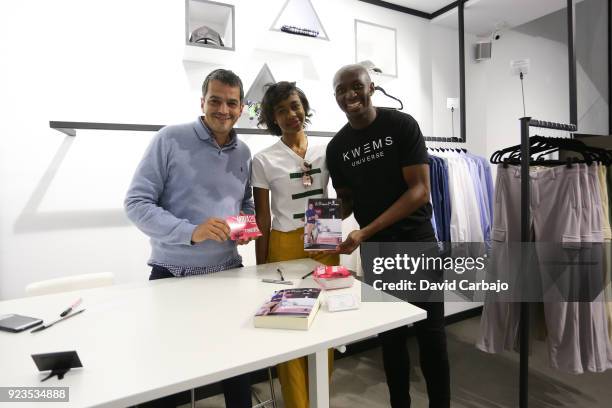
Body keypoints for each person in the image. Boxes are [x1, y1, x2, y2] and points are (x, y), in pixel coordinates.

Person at [124, 68, 254, 408]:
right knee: (164, 376)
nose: (223, 110)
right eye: (215, 100)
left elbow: (246, 203)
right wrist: (190, 232)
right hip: (172, 275)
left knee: (237, 369)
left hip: (228, 273)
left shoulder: (244, 153)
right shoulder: (169, 138)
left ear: (241, 108)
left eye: (231, 103)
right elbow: (136, 203)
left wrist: (245, 227)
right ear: (202, 102)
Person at [326, 64, 451, 408]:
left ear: (372, 87)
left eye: (356, 86)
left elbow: (420, 191)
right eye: (341, 90)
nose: (349, 95)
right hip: (378, 254)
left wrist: (364, 231)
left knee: (431, 339)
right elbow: (348, 200)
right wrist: (317, 221)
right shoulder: (337, 148)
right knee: (391, 340)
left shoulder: (401, 125)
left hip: (417, 246)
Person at [251, 81, 336, 408]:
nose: (291, 114)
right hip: (284, 243)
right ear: (273, 118)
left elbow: (339, 197)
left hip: (323, 236)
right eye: (281, 110)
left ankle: (319, 399)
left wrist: (336, 235)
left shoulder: (326, 151)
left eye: (294, 105)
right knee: (288, 325)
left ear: (304, 106)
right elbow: (262, 217)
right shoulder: (263, 159)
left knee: (325, 325)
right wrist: (262, 266)